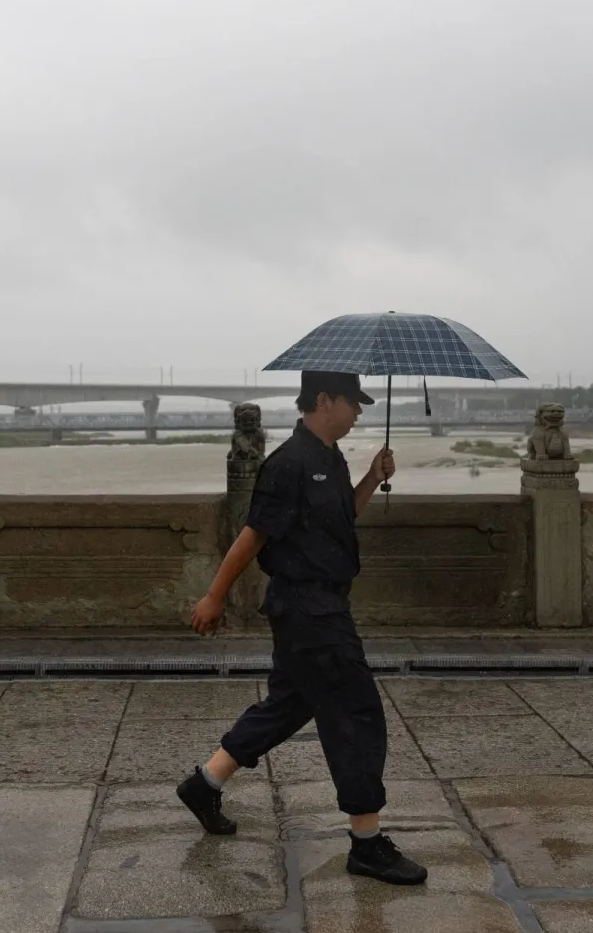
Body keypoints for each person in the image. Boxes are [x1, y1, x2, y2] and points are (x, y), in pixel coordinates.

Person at [174, 370, 428, 886]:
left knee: (290, 702)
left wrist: (371, 479)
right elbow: (252, 537)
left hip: (321, 605)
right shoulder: (288, 463)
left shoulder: (330, 457)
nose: (359, 411)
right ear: (323, 399)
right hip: (309, 609)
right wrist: (215, 596)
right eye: (353, 402)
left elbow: (340, 519)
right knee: (356, 713)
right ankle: (366, 843)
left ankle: (206, 783)